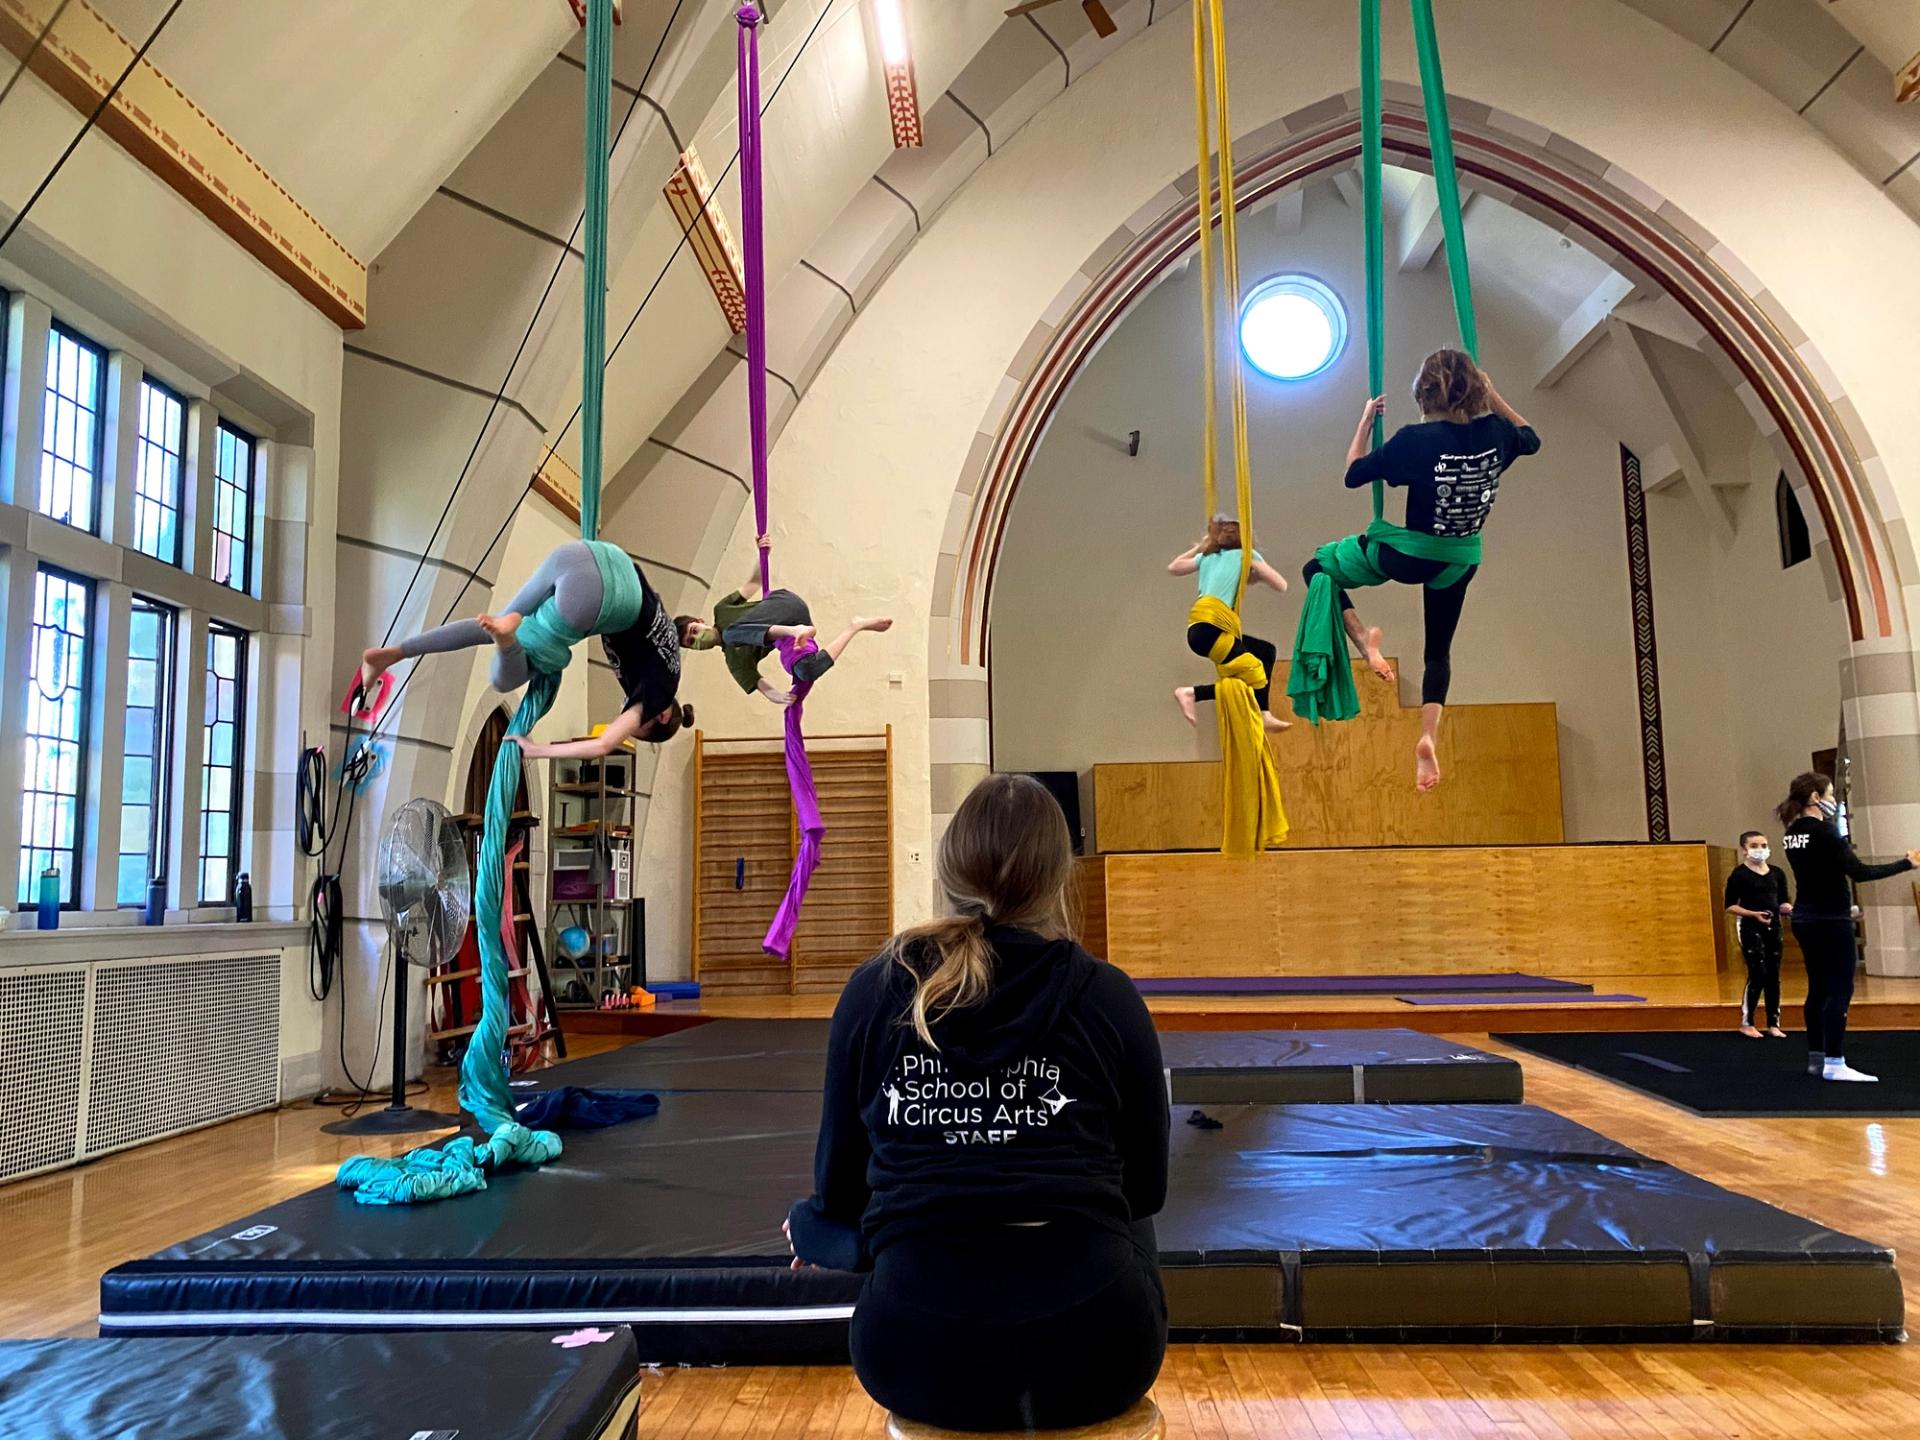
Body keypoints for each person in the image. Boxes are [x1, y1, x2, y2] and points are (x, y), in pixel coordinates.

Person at [784, 773, 1169, 1433]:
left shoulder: (879, 990)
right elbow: (1148, 1189)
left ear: (948, 869)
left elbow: (838, 1197)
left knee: (831, 1221)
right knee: (1120, 1216)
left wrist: (823, 1230)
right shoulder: (1108, 996)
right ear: (1058, 877)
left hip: (917, 1349)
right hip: (1100, 1347)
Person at [1290, 348, 1540, 790]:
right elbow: (1530, 437)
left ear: (1422, 395)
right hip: (1460, 561)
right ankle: (1427, 736)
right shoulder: (1497, 433)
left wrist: (1367, 420)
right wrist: (1494, 392)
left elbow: (1352, 474)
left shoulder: (1413, 441)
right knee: (1437, 653)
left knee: (1317, 568)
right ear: (1476, 391)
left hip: (1406, 556)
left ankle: (1364, 639)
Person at [357, 539, 691, 760]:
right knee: (506, 678)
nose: (628, 715)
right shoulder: (657, 693)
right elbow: (604, 745)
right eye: (640, 726)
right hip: (596, 597)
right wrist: (535, 750)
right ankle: (506, 641)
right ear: (661, 715)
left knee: (498, 621)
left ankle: (393, 653)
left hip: (589, 555)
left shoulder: (667, 662)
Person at [1777, 772, 1920, 1083]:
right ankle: (1835, 1062)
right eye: (1829, 795)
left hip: (1807, 918)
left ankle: (1816, 1058)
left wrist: (1845, 908)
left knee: (1818, 989)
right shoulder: (1826, 833)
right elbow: (1860, 872)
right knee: (1840, 989)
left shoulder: (1792, 834)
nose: (1832, 801)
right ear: (1815, 798)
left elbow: (1819, 877)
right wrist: (1906, 863)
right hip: (1829, 920)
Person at [678, 543, 892, 706]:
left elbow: (754, 583)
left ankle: (796, 631)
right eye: (692, 642)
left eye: (694, 631)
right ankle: (855, 626)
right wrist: (783, 698)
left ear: (701, 621)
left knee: (729, 635)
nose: (697, 639)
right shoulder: (735, 663)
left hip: (785, 606)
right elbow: (763, 687)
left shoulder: (721, 610)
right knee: (805, 671)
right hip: (793, 632)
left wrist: (763, 554)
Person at [1169, 513, 1291, 732]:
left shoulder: (1207, 558)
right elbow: (1281, 585)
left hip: (1200, 630)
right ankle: (1193, 694)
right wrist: (1256, 571)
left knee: (1264, 652)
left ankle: (1260, 711)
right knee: (1253, 671)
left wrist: (1200, 547)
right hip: (1211, 628)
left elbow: (1174, 567)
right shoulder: (1246, 555)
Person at [1724, 830, 1791, 1039]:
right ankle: (1748, 1022)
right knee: (1758, 972)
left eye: (1763, 845)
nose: (1760, 850)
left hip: (1774, 926)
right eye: (1754, 846)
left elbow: (1783, 901)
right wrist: (1753, 914)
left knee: (1773, 974)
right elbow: (1730, 906)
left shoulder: (1777, 873)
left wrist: (1788, 909)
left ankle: (1773, 1022)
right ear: (1744, 850)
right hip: (1750, 926)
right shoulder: (1739, 874)